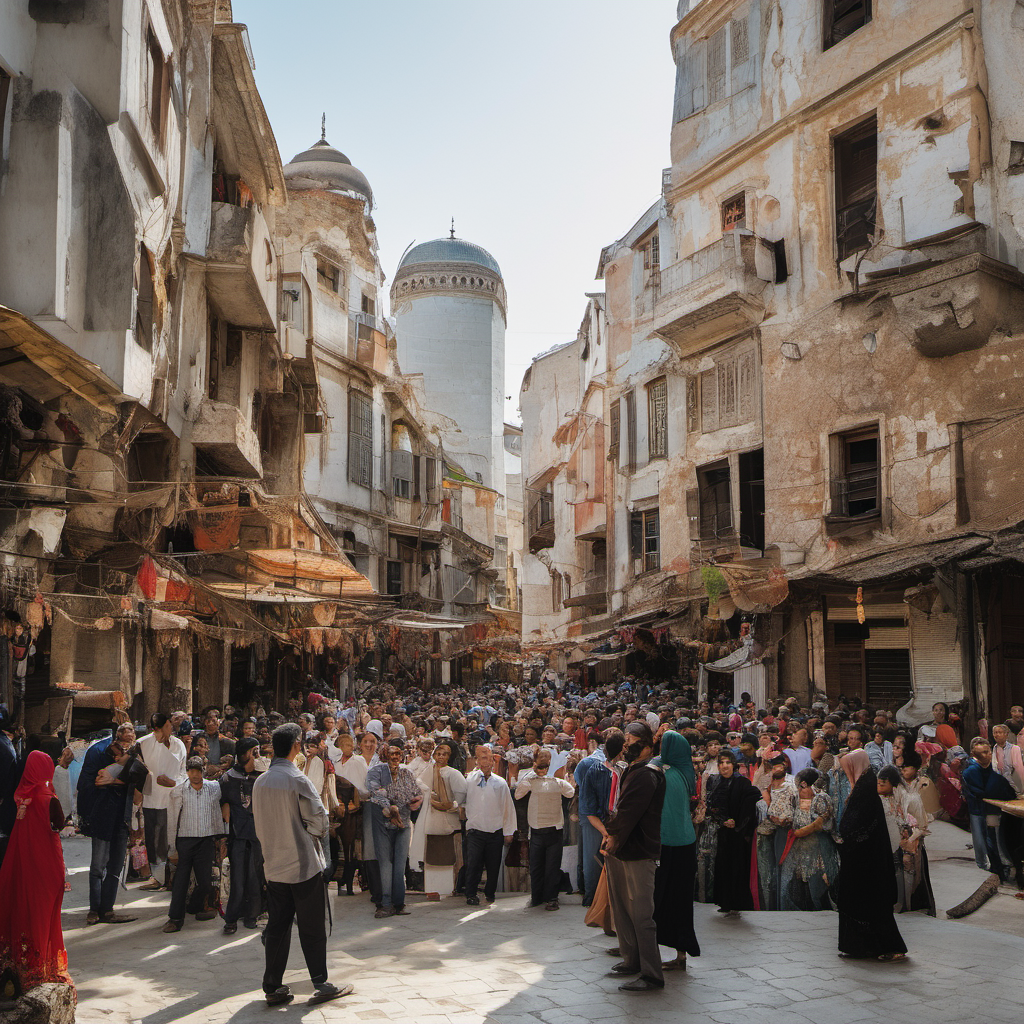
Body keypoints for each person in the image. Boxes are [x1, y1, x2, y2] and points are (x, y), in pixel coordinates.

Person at [252, 723, 352, 1007]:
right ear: (296, 745)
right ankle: (320, 982)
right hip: (302, 864)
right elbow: (319, 822)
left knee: (278, 926)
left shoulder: (261, 782)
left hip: (274, 864)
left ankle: (273, 986)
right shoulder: (298, 780)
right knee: (312, 927)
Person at [0, 750, 73, 992]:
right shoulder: (49, 798)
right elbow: (59, 824)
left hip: (22, 863)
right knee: (44, 915)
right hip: (47, 865)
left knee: (23, 908)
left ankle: (19, 965)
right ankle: (39, 967)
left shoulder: (21, 797)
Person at [602, 722, 665, 993]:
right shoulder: (634, 770)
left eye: (632, 741)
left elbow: (629, 812)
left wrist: (613, 837)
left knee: (641, 914)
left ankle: (652, 974)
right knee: (623, 909)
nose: (626, 746)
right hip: (624, 848)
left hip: (638, 849)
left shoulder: (647, 773)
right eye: (626, 742)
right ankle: (632, 960)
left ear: (648, 746)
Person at [836, 750, 907, 962]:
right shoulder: (863, 787)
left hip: (866, 862)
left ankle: (890, 947)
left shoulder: (864, 791)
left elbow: (854, 826)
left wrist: (846, 835)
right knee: (863, 903)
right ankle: (861, 947)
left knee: (872, 904)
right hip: (863, 860)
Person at [78, 724, 138, 926]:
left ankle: (107, 909)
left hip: (122, 817)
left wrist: (116, 782)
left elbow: (139, 785)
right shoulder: (100, 754)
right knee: (98, 866)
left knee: (115, 867)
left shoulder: (133, 759)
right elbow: (90, 783)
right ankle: (94, 909)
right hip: (103, 816)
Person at [652, 730, 699, 972]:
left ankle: (649, 954)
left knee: (657, 899)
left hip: (665, 844)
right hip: (686, 844)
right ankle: (681, 954)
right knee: (682, 902)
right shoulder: (685, 772)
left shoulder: (661, 771)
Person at [164, 756, 226, 933]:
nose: (195, 775)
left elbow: (223, 803)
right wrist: (172, 846)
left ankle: (194, 905)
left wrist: (221, 836)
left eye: (198, 771)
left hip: (205, 840)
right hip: (185, 840)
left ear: (203, 771)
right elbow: (172, 819)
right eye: (191, 771)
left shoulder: (214, 788)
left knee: (206, 882)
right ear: (187, 772)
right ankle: (175, 919)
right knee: (180, 881)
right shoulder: (179, 791)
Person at [366, 740, 422, 918]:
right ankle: (386, 903)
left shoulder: (406, 773)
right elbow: (375, 793)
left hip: (403, 822)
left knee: (399, 864)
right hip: (383, 822)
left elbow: (415, 793)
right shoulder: (376, 772)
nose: (395, 758)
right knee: (385, 863)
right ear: (385, 756)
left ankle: (399, 903)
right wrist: (390, 806)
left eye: (398, 754)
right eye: (391, 754)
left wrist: (416, 801)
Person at [514, 748, 575, 911]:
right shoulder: (532, 781)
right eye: (541, 763)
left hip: (552, 830)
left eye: (546, 763)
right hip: (539, 830)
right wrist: (533, 775)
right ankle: (539, 897)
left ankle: (550, 898)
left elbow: (570, 793)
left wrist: (559, 778)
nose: (543, 767)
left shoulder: (556, 782)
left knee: (549, 867)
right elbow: (518, 794)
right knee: (538, 866)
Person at [219, 737, 263, 934]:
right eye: (254, 752)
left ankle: (252, 915)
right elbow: (223, 806)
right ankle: (231, 919)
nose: (257, 755)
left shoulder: (262, 777)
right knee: (237, 879)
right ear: (245, 754)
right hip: (237, 836)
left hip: (257, 836)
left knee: (255, 878)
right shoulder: (228, 778)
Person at [138, 712, 187, 892]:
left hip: (172, 798)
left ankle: (172, 877)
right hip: (151, 798)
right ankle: (157, 877)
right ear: (156, 728)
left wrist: (174, 782)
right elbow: (137, 770)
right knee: (153, 839)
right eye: (166, 726)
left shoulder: (178, 744)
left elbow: (183, 771)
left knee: (171, 838)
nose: (170, 728)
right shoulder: (142, 743)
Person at [463, 744, 516, 906]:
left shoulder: (500, 783)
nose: (486, 762)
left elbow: (507, 808)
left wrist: (508, 831)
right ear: (477, 761)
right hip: (475, 830)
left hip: (495, 831)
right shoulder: (469, 780)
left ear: (493, 761)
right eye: (483, 758)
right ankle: (471, 894)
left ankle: (490, 893)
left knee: (493, 865)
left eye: (489, 758)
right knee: (473, 864)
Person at [778, 767, 838, 911]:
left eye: (800, 787)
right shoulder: (796, 798)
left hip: (818, 848)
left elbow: (820, 823)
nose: (798, 791)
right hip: (801, 850)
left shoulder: (821, 798)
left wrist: (801, 832)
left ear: (805, 784)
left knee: (818, 885)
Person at [577, 731, 625, 906]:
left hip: (609, 823)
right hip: (599, 822)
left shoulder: (624, 771)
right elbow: (589, 809)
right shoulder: (595, 770)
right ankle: (594, 900)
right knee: (594, 861)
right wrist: (606, 833)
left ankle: (602, 901)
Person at [415, 740, 468, 898]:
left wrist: (449, 805)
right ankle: (433, 889)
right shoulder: (429, 770)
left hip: (449, 822)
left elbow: (462, 796)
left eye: (444, 754)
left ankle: (450, 889)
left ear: (449, 756)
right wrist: (428, 794)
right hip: (431, 820)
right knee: (431, 859)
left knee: (450, 859)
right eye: (438, 754)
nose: (440, 757)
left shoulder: (453, 773)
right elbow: (419, 782)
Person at [709, 751, 760, 917]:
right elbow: (712, 805)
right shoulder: (715, 782)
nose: (724, 766)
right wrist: (722, 820)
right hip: (723, 831)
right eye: (721, 763)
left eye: (728, 762)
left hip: (738, 834)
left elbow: (751, 802)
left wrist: (737, 823)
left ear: (733, 765)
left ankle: (737, 903)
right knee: (723, 865)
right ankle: (725, 902)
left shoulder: (742, 782)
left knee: (737, 866)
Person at [961, 737, 1016, 881]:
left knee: (995, 841)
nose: (987, 755)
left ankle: (998, 870)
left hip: (991, 811)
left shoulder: (992, 769)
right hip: (978, 811)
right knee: (982, 842)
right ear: (974, 754)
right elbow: (980, 792)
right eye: (983, 752)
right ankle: (987, 871)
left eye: (988, 752)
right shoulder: (971, 771)